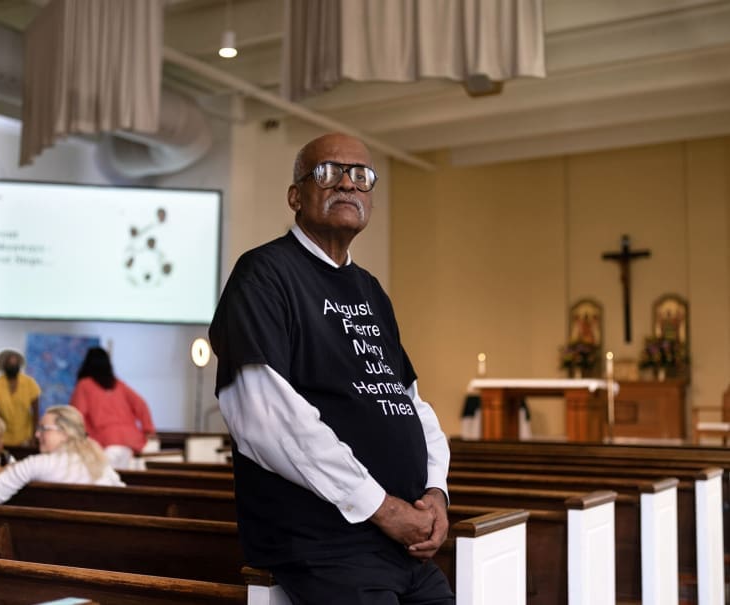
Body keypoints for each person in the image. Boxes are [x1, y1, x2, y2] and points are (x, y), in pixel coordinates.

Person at [208, 133, 453, 604]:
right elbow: (266, 420)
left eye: (360, 176)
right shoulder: (264, 274)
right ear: (295, 196)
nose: (348, 184)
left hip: (402, 546)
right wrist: (381, 508)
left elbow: (409, 402)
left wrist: (435, 491)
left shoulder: (369, 289)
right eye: (328, 172)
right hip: (326, 546)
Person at [0, 405, 124, 505]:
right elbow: (123, 500)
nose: (37, 434)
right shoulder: (101, 464)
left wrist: (7, 470)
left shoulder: (38, 464)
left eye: (44, 429)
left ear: (64, 433)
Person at [69, 347, 156, 469]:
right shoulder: (118, 384)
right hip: (130, 441)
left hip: (104, 441)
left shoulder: (84, 385)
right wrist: (148, 429)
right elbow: (141, 404)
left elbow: (76, 415)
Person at [0, 348, 41, 447]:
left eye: (15, 363)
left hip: (25, 437)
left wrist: (34, 436)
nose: (13, 366)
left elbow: (36, 413)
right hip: (3, 437)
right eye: (10, 363)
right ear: (4, 366)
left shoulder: (29, 383)